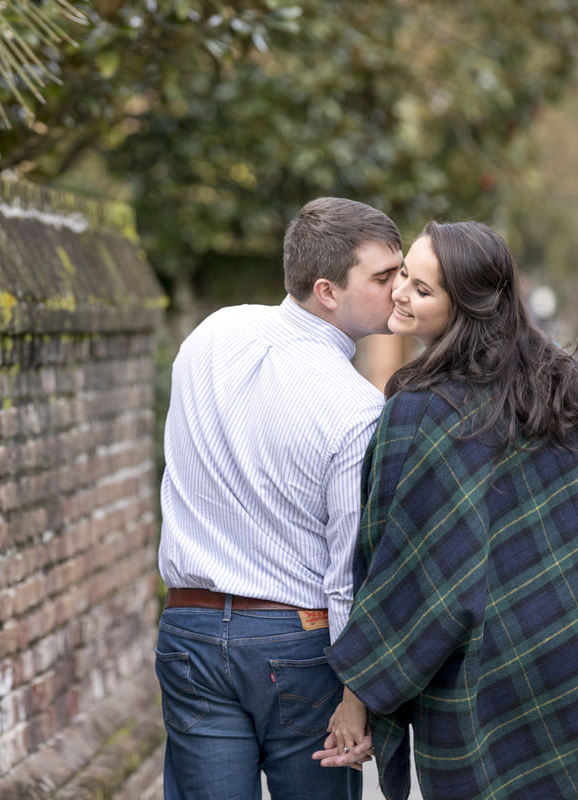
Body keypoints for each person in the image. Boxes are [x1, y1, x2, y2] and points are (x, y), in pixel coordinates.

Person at [320, 221, 578, 799]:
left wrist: (356, 697)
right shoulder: (569, 383)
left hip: (477, 682)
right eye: (404, 275)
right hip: (574, 657)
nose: (401, 294)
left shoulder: (420, 411)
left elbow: (405, 576)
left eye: (423, 289)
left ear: (470, 308)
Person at [155, 197, 402, 800]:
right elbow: (347, 569)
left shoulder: (210, 335)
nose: (400, 290)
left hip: (190, 626)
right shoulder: (357, 409)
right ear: (327, 290)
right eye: (383, 277)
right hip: (298, 642)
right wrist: (356, 694)